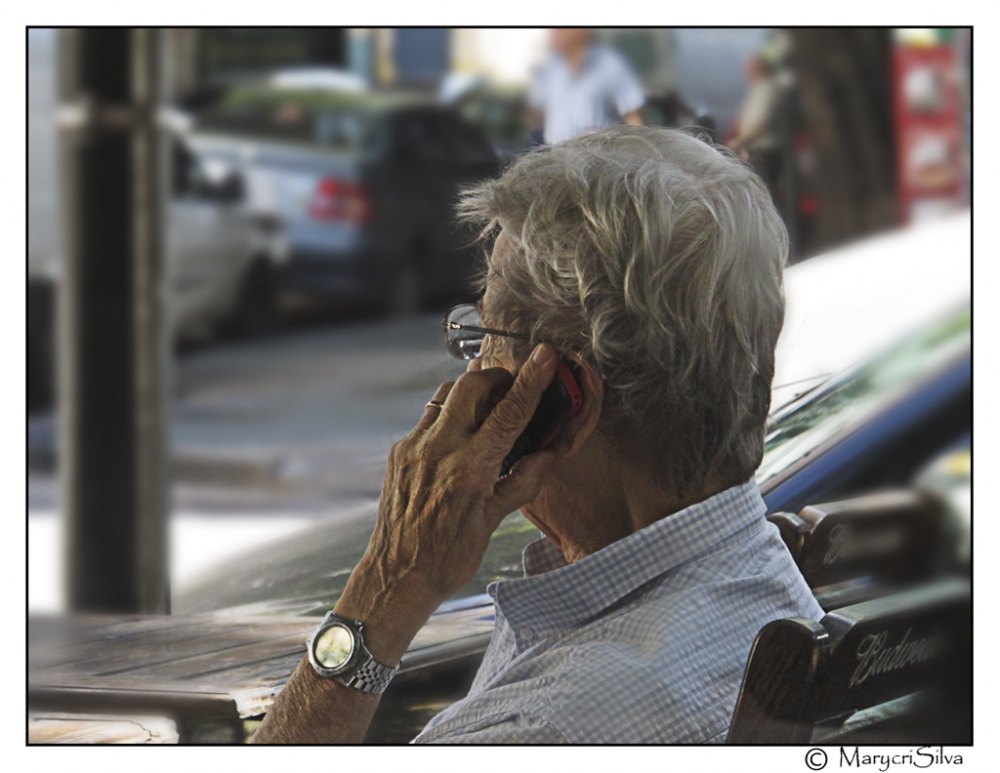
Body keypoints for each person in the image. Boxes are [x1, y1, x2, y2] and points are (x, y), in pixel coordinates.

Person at [250, 126, 824, 744]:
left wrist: (384, 592)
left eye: (485, 337)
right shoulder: (761, 577)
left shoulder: (540, 728)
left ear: (564, 401)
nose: (470, 372)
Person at [529, 28, 645, 145]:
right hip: (555, 156)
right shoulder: (551, 67)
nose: (554, 32)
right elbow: (537, 115)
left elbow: (633, 117)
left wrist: (638, 150)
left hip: (597, 157)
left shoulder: (610, 64)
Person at [727, 54, 782, 197]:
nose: (745, 72)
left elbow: (763, 125)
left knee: (760, 193)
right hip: (752, 148)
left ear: (759, 68)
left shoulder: (767, 89)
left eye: (748, 68)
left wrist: (739, 141)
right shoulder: (757, 88)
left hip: (762, 150)